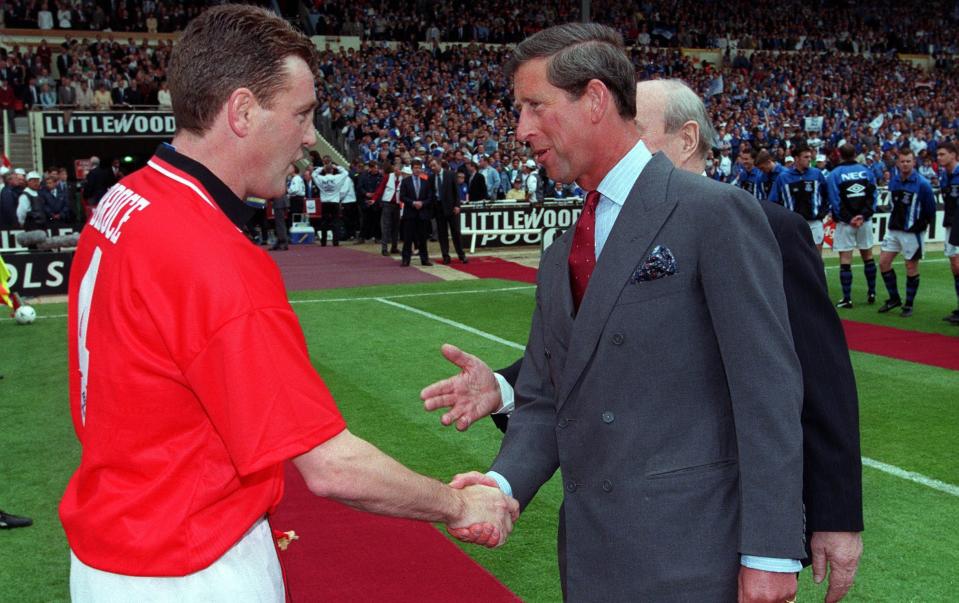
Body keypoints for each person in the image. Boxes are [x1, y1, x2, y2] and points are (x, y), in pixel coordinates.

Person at [61, 7, 517, 601]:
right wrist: (456, 502)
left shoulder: (128, 197)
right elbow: (332, 468)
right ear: (243, 111)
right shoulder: (212, 252)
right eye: (301, 115)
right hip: (190, 566)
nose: (310, 137)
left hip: (113, 551)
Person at [425, 76, 865, 603]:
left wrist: (828, 519)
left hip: (702, 537)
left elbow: (808, 380)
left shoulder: (759, 225)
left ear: (685, 139)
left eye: (638, 126)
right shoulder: (584, 235)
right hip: (605, 544)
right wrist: (505, 387)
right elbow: (610, 347)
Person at [876, 148, 936, 317]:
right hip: (894, 229)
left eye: (908, 161)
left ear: (914, 162)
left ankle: (909, 304)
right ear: (897, 163)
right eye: (902, 161)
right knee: (883, 262)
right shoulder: (894, 181)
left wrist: (920, 226)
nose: (905, 164)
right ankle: (894, 298)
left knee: (911, 266)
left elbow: (930, 210)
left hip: (912, 232)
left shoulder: (922, 184)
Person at [828, 143, 879, 308]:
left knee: (845, 259)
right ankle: (872, 292)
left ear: (840, 155)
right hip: (864, 221)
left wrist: (849, 218)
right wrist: (863, 215)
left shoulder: (835, 174)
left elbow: (835, 200)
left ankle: (847, 298)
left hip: (846, 223)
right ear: (855, 154)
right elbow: (873, 195)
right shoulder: (866, 171)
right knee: (868, 256)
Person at [769, 144, 830, 253]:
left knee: (816, 257)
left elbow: (826, 194)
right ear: (796, 158)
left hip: (814, 222)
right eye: (806, 157)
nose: (809, 160)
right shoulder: (783, 177)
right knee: (796, 256)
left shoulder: (817, 174)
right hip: (793, 224)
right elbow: (774, 201)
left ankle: (819, 271)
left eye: (810, 157)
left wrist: (823, 212)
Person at [937, 142, 959, 324]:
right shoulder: (945, 176)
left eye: (943, 154)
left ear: (953, 155)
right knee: (954, 266)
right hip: (951, 224)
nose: (939, 157)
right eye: (938, 154)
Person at [430, 158, 467, 264]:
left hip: (451, 208)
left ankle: (461, 254)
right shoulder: (431, 177)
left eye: (434, 165)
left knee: (456, 232)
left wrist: (457, 205)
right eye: (431, 166)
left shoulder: (450, 175)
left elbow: (456, 191)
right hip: (439, 208)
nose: (432, 168)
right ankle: (445, 255)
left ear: (439, 164)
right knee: (442, 234)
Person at [399, 158, 433, 266]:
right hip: (410, 213)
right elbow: (402, 197)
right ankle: (406, 259)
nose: (417, 170)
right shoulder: (405, 181)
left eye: (419, 168)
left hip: (422, 213)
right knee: (408, 238)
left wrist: (422, 203)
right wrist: (413, 203)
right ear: (412, 169)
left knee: (423, 238)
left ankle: (424, 259)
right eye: (415, 168)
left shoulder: (425, 182)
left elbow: (429, 197)